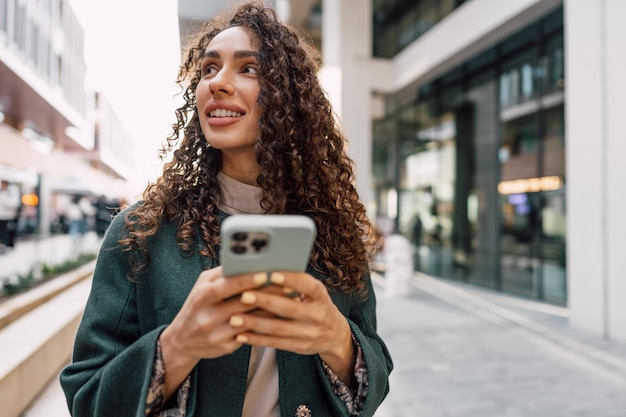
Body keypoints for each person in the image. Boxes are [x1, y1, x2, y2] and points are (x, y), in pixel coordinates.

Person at [59, 2, 393, 417]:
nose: (217, 82)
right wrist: (177, 344)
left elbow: (377, 372)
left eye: (248, 68)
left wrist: (338, 341)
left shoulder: (335, 233)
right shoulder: (142, 232)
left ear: (289, 97)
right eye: (208, 68)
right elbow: (86, 397)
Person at [0, 179, 21, 252]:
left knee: (8, 232)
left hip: (9, 217)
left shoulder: (12, 191)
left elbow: (14, 203)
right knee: (2, 232)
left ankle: (8, 245)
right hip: (2, 216)